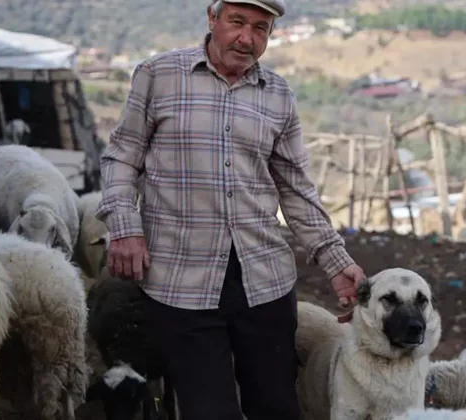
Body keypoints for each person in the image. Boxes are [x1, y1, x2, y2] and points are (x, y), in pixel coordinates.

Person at [94, 0, 366, 418]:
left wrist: (336, 261)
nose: (246, 38)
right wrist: (126, 227)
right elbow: (121, 157)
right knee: (209, 410)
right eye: (237, 22)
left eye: (260, 28)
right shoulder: (158, 75)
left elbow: (295, 189)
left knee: (276, 406)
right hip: (181, 283)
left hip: (265, 282)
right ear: (212, 17)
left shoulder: (278, 95)